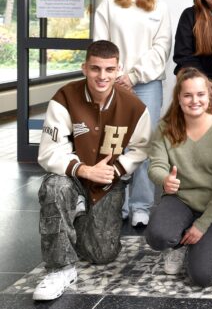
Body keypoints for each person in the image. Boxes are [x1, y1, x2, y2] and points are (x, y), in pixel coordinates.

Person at [33, 40, 151, 301]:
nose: (102, 76)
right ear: (84, 68)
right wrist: (85, 170)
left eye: (109, 69)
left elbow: (142, 149)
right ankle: (60, 269)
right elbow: (48, 153)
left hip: (108, 180)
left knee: (102, 255)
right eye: (96, 68)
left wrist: (113, 171)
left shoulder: (134, 107)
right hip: (72, 177)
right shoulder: (64, 98)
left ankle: (76, 219)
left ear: (119, 70)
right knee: (53, 186)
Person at [94, 0, 172, 227]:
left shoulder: (159, 7)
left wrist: (135, 76)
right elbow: (100, 44)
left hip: (147, 84)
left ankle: (141, 205)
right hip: (112, 83)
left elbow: (162, 47)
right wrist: (115, 75)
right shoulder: (109, 5)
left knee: (144, 145)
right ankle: (119, 203)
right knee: (114, 143)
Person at [145, 68, 212, 287]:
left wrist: (202, 226)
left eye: (200, 94)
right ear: (178, 98)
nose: (195, 100)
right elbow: (156, 166)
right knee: (157, 236)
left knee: (203, 276)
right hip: (180, 200)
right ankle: (178, 246)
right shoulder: (165, 128)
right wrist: (165, 179)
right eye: (188, 95)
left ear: (209, 95)